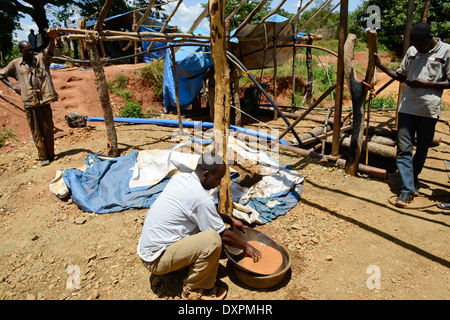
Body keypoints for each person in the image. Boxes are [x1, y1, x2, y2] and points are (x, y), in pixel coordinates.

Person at [137, 152, 261, 300]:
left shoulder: (181, 179)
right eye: (219, 178)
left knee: (204, 228)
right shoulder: (199, 198)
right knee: (212, 239)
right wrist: (246, 246)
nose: (220, 182)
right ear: (206, 175)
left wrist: (230, 219)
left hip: (150, 249)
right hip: (156, 259)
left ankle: (182, 266)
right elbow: (222, 234)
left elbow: (200, 211)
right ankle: (194, 290)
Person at [375, 22, 450, 208]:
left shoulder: (446, 51)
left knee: (422, 148)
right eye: (413, 44)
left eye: (419, 44)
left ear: (428, 39)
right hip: (407, 108)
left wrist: (427, 84)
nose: (416, 47)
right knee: (403, 149)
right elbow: (402, 76)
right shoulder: (412, 52)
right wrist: (381, 66)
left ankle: (412, 178)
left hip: (429, 110)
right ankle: (407, 189)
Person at [0, 28, 60, 166]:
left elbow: (50, 51)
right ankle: (44, 157)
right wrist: (15, 88)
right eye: (27, 50)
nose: (30, 51)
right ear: (21, 51)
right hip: (29, 102)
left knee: (48, 129)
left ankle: (52, 154)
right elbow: (2, 75)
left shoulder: (40, 59)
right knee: (36, 131)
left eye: (31, 49)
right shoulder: (15, 64)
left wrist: (52, 38)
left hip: (43, 100)